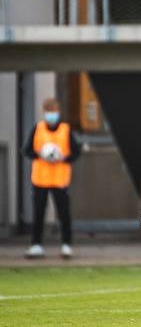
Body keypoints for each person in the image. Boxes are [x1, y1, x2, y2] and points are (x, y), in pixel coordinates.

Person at [23, 98, 81, 259]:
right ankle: (36, 245)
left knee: (64, 213)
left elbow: (76, 152)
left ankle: (66, 245)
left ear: (58, 112)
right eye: (49, 112)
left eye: (54, 112)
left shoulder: (65, 130)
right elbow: (27, 150)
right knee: (38, 212)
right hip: (40, 179)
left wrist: (63, 157)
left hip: (60, 179)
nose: (52, 115)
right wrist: (40, 154)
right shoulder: (38, 129)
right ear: (45, 113)